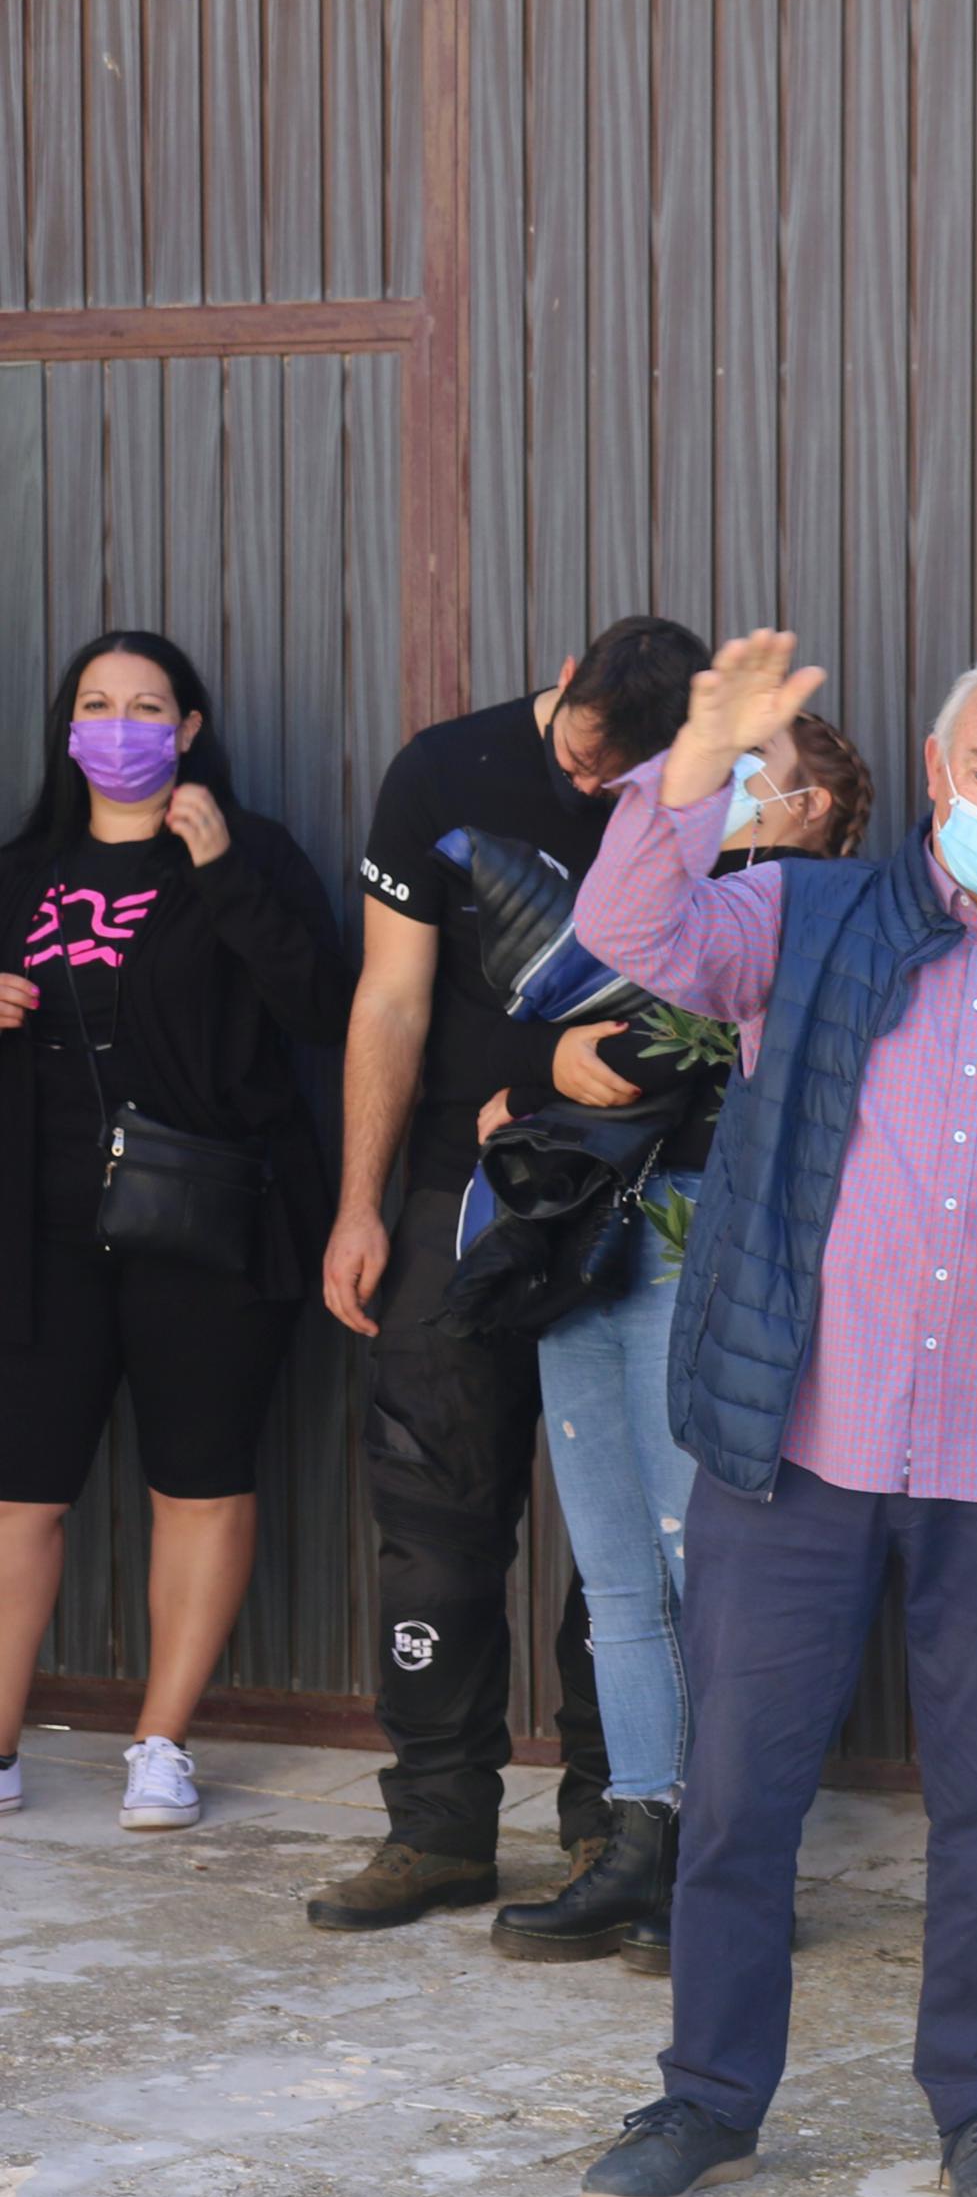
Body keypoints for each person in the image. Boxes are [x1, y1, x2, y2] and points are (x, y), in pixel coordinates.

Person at [559, 630, 977, 2197]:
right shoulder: (804, 914)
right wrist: (699, 758)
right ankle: (707, 2096)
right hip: (798, 1442)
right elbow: (629, 923)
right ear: (935, 773)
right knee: (739, 1787)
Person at [311, 616, 709, 1931]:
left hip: (640, 1202)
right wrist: (361, 1207)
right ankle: (436, 1827)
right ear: (565, 687)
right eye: (590, 757)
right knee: (433, 1518)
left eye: (628, 775)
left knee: (631, 1542)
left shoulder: (713, 788)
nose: (600, 789)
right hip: (460, 1194)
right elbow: (390, 1001)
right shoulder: (446, 769)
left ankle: (615, 1824)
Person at [491, 712, 874, 1972]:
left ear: (819, 806)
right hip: (589, 1235)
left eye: (768, 773)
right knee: (611, 1566)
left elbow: (666, 1062)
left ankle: (734, 1860)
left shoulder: (809, 907)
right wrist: (537, 1074)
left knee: (703, 1562)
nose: (734, 791)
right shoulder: (671, 908)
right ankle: (640, 1835)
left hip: (700, 1228)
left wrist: (543, 1081)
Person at [0, 632, 353, 1830]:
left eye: (147, 705)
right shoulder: (19, 874)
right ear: (67, 727)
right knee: (18, 1495)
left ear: (190, 729)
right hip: (38, 1231)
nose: (120, 724)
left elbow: (321, 1008)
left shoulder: (248, 854)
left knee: (196, 1483)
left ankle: (160, 1744)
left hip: (206, 1221)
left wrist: (223, 876)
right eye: (97, 703)